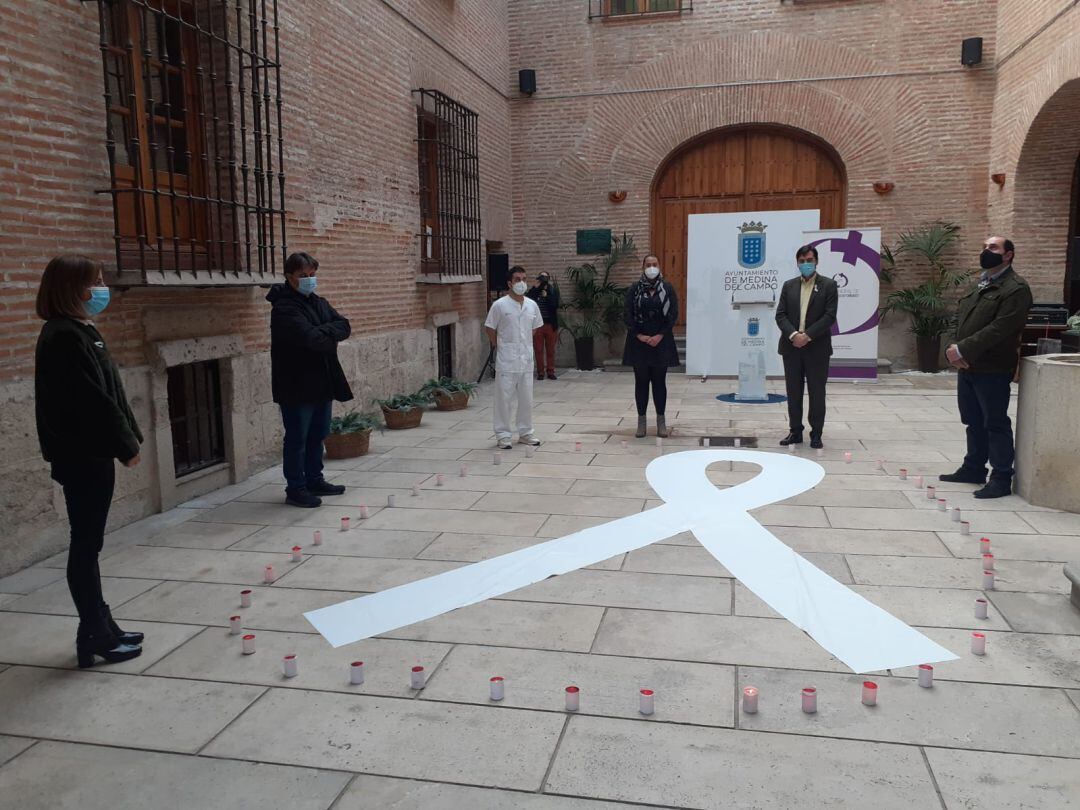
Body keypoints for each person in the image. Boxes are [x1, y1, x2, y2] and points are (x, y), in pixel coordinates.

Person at [35, 255, 144, 668]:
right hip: (82, 455)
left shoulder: (77, 330)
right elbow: (92, 401)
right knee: (85, 545)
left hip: (90, 452)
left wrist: (128, 437)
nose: (101, 289)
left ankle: (104, 624)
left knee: (90, 544)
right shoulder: (64, 335)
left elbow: (109, 390)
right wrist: (126, 445)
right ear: (71, 288)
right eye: (94, 282)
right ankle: (93, 634)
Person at [941, 236, 1032, 499]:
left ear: (1008, 255)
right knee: (973, 420)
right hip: (968, 366)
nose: (985, 251)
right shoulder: (979, 283)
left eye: (993, 247)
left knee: (995, 423)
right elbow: (958, 319)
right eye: (983, 247)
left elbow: (1000, 329)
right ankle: (973, 468)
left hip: (992, 368)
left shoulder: (1015, 288)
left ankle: (1001, 477)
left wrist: (961, 349)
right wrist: (951, 348)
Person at [267, 252, 353, 508]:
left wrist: (324, 332)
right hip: (296, 383)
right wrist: (327, 333)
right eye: (303, 276)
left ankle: (315, 479)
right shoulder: (283, 308)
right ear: (289, 277)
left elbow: (344, 325)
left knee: (318, 433)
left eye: (312, 275)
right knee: (297, 438)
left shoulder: (319, 302)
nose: (309, 280)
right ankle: (296, 487)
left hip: (321, 381)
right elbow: (310, 339)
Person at [775, 244, 838, 449]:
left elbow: (829, 316)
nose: (806, 264)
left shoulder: (828, 285)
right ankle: (795, 431)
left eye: (809, 260)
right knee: (793, 391)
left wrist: (807, 336)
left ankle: (816, 433)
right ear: (797, 263)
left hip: (817, 348)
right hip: (791, 346)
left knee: (817, 392)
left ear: (816, 261)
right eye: (802, 261)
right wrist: (794, 335)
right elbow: (780, 315)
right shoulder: (789, 286)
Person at [485, 266, 543, 450]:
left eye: (524, 278)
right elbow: (490, 328)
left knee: (526, 398)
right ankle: (503, 434)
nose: (522, 282)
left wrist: (523, 344)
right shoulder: (500, 305)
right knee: (504, 398)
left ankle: (525, 433)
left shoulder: (531, 305)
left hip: (525, 360)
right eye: (518, 279)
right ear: (510, 283)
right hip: (507, 359)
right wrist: (501, 345)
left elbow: (534, 328)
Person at [622, 254, 679, 439]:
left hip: (661, 342)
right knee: (641, 382)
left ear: (659, 266)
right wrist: (640, 335)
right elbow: (628, 313)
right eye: (648, 264)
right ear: (643, 267)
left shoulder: (667, 288)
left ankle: (661, 422)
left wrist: (659, 335)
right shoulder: (634, 289)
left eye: (654, 264)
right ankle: (641, 422)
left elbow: (673, 313)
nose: (651, 267)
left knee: (659, 383)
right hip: (639, 342)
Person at [526, 270, 560, 380]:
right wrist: (536, 289)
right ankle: (540, 372)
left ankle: (550, 371)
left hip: (550, 324)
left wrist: (547, 294)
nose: (543, 280)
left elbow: (555, 305)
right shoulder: (535, 290)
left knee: (550, 349)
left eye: (545, 278)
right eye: (541, 277)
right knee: (538, 349)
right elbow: (527, 300)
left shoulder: (552, 290)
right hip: (537, 325)